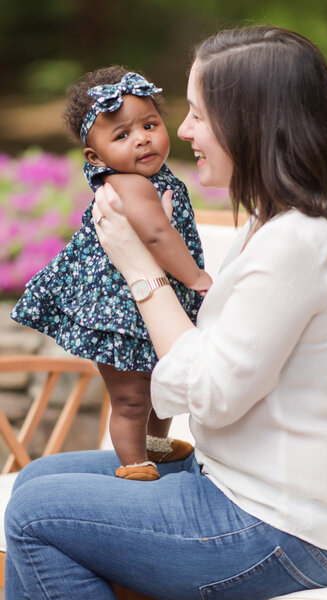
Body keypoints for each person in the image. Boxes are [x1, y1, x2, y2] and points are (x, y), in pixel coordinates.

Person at [5, 26, 327, 600]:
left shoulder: (298, 243)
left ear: (250, 121)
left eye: (198, 114)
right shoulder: (278, 218)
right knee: (37, 478)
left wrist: (138, 269)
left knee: (32, 512)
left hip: (281, 526)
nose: (180, 131)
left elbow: (208, 394)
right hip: (248, 484)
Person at [11, 66, 211, 482]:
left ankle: (155, 445)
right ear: (95, 157)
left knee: (162, 386)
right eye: (122, 135)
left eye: (150, 125)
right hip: (118, 315)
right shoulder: (130, 184)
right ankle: (134, 463)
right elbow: (156, 234)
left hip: (145, 308)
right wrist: (195, 278)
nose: (141, 138)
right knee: (131, 398)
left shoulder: (153, 177)